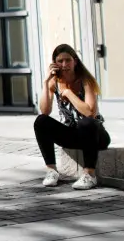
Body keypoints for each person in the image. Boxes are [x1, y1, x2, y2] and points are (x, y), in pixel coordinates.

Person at [35, 44, 110, 190]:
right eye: (60, 61)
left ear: (75, 61)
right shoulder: (54, 82)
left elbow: (90, 113)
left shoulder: (85, 80)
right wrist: (46, 83)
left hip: (96, 136)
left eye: (68, 60)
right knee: (41, 121)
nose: (64, 65)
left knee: (86, 123)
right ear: (54, 64)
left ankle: (89, 175)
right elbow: (45, 111)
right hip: (73, 136)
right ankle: (51, 171)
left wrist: (69, 93)